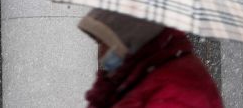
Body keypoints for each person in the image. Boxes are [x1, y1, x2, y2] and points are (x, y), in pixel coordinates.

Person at [78, 9, 224, 108]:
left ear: (126, 39)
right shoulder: (138, 77)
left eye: (104, 43)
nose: (101, 53)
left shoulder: (174, 90)